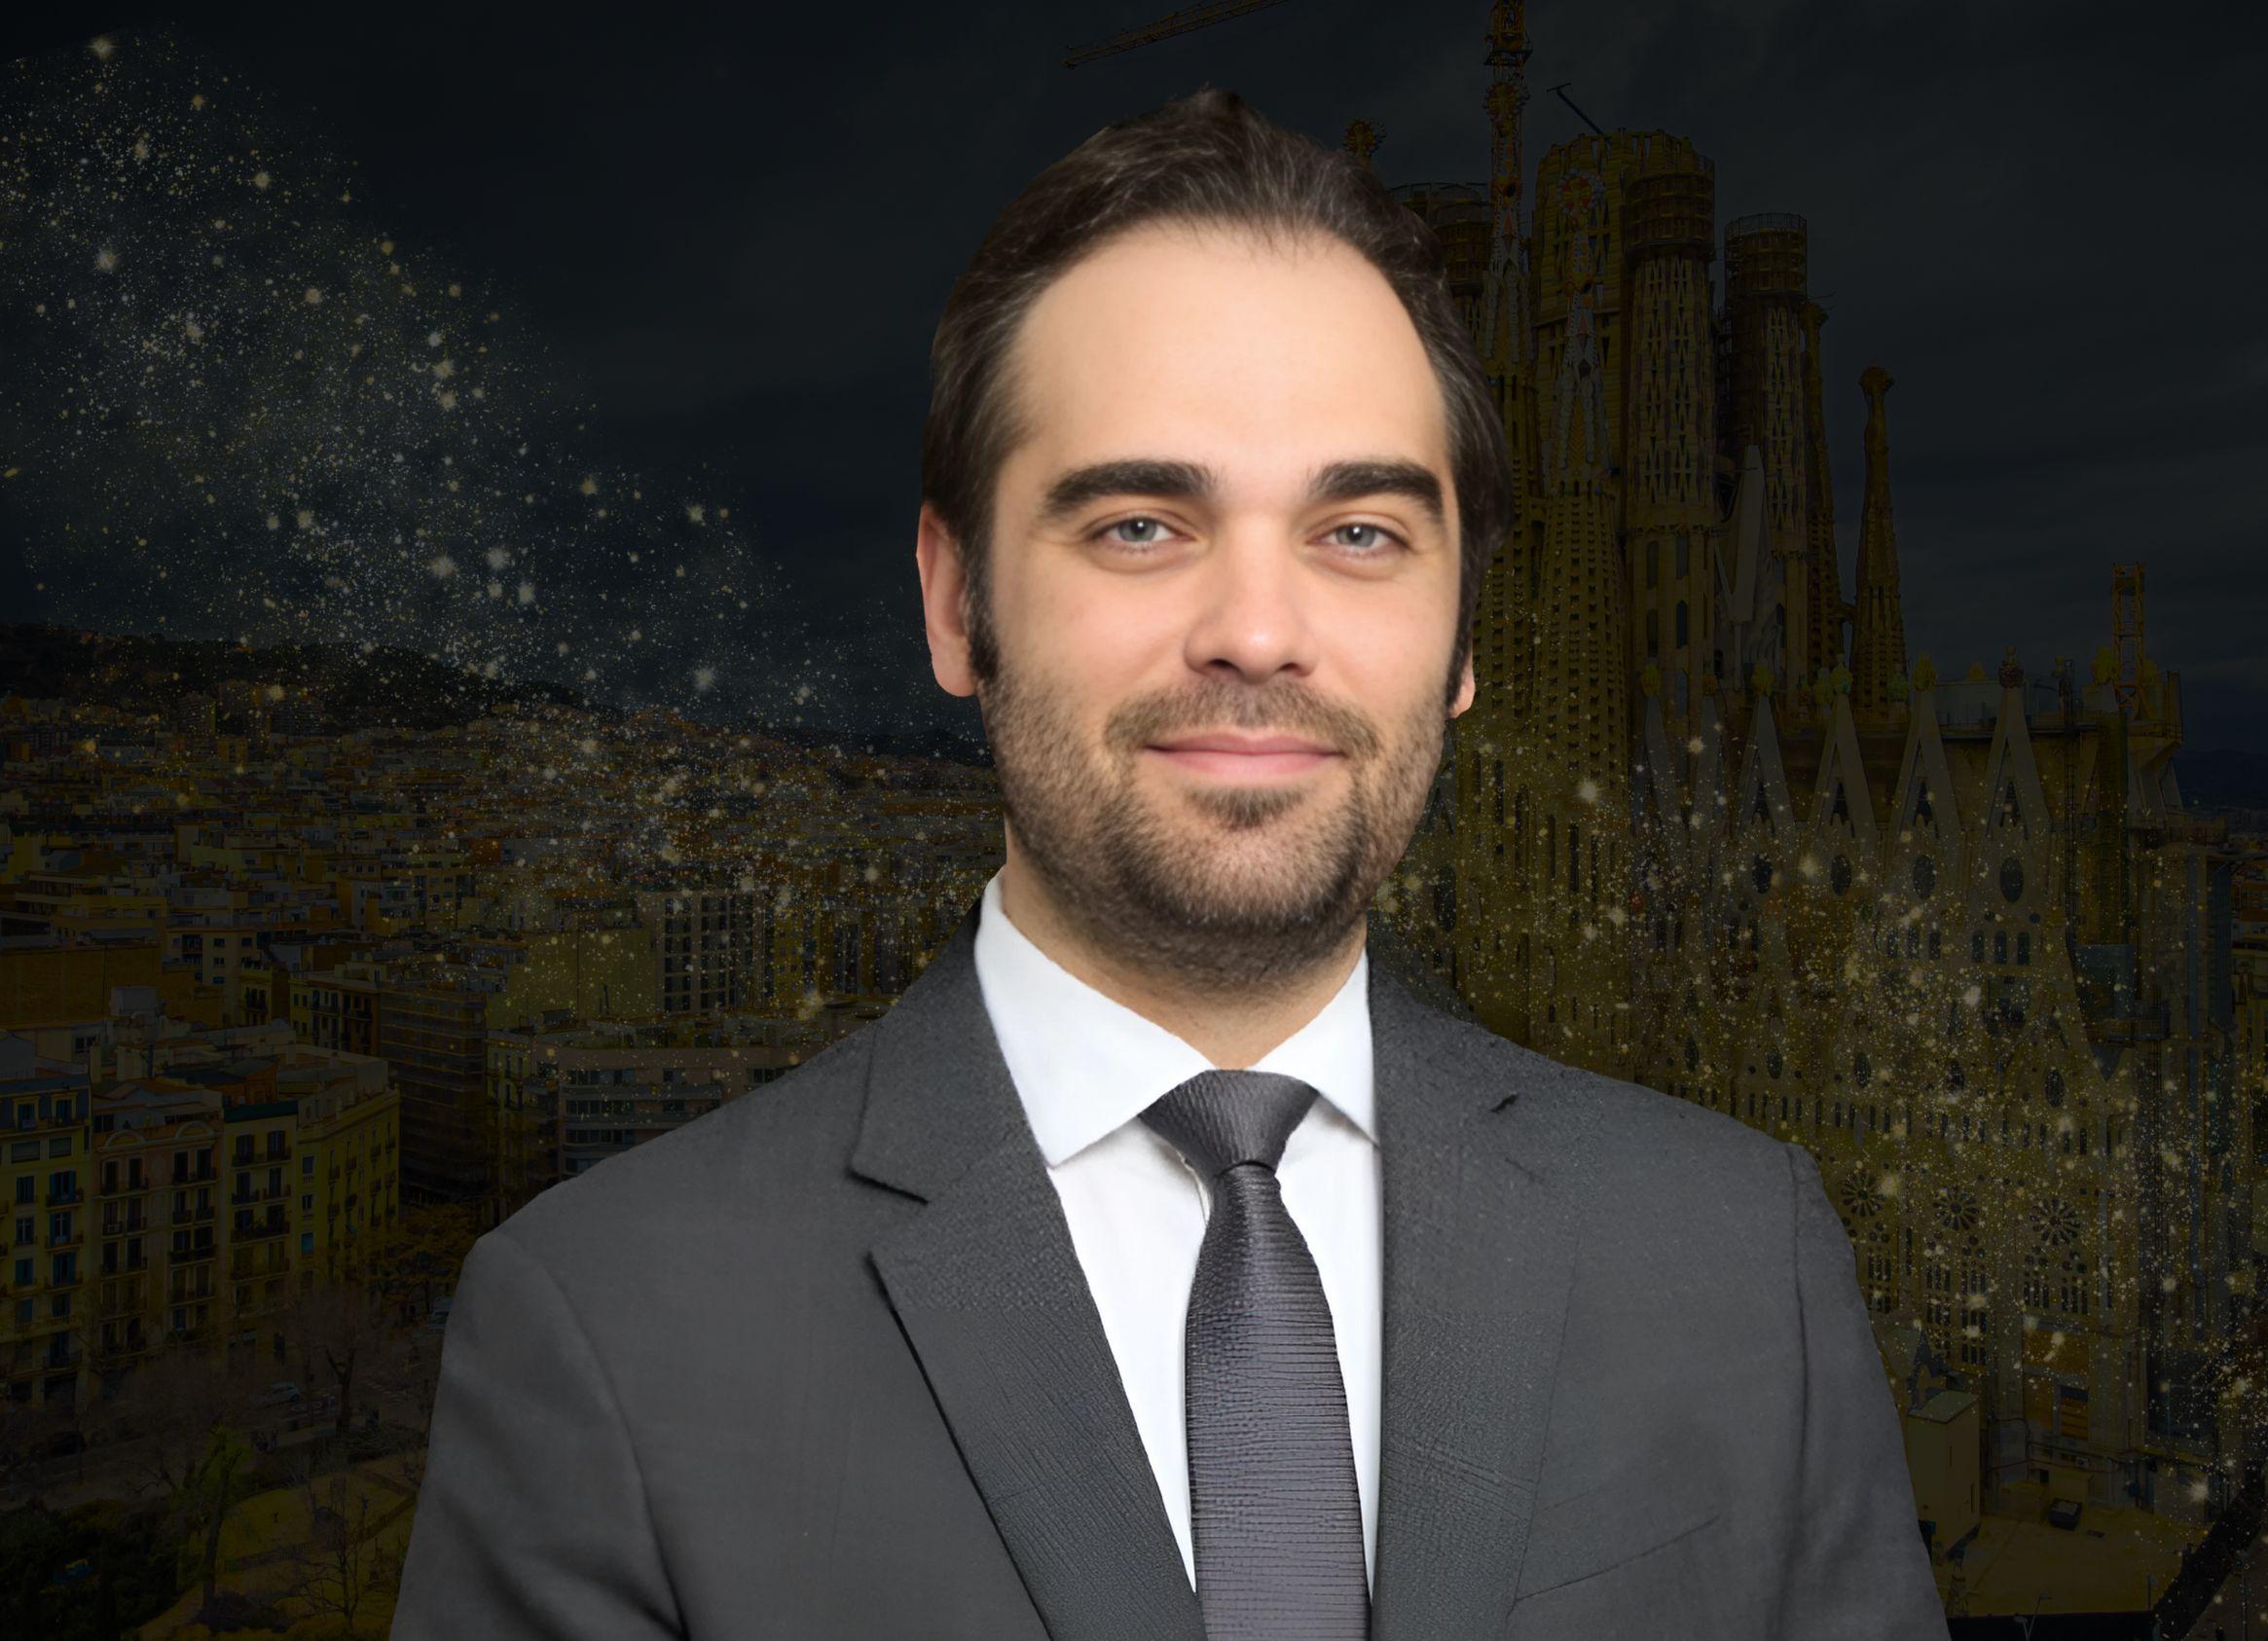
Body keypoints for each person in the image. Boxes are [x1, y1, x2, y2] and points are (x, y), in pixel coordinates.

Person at [392, 86, 1946, 1639]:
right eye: (1140, 524)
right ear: (953, 602)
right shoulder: (611, 1332)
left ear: (1468, 632)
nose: (1257, 632)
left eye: (1360, 532)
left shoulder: (1739, 1260)